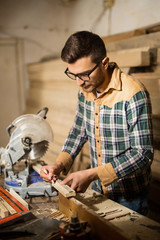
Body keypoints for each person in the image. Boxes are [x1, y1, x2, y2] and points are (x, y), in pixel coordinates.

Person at [40, 31, 153, 215]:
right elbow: (78, 131)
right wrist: (59, 165)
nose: (79, 82)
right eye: (73, 74)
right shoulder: (86, 90)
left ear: (104, 63)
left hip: (130, 197)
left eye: (84, 74)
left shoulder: (133, 93)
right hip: (99, 191)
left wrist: (92, 174)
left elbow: (143, 154)